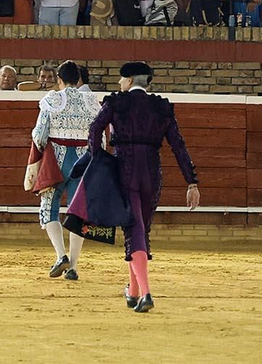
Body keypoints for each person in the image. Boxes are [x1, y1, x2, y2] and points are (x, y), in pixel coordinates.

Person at [79, 62, 199, 312]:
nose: (119, 83)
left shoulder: (116, 102)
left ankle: (146, 293)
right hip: (152, 173)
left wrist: (97, 158)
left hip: (125, 169)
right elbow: (178, 145)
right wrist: (191, 181)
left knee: (134, 230)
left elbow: (95, 128)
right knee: (141, 230)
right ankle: (133, 292)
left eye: (122, 79)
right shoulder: (161, 107)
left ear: (130, 80)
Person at [27, 60, 98, 280]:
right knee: (79, 212)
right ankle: (73, 266)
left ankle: (61, 256)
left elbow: (40, 135)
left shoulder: (52, 99)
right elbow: (100, 137)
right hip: (83, 160)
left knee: (49, 207)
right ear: (78, 80)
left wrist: (39, 155)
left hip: (56, 159)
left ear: (59, 80)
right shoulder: (91, 101)